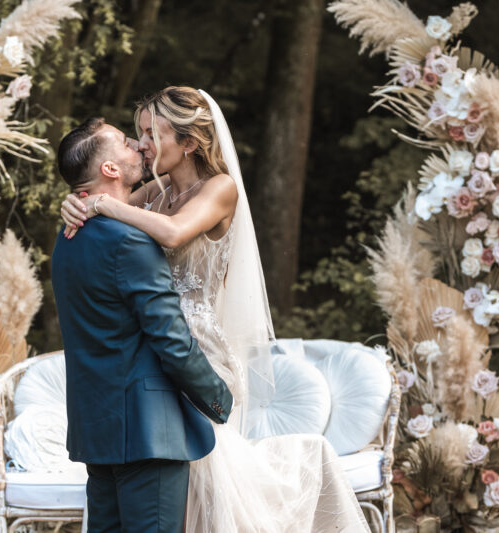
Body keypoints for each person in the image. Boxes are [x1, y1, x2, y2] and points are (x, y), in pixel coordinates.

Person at [60, 87, 371, 532]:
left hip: (198, 352)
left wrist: (102, 203)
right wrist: (77, 201)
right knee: (178, 495)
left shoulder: (221, 189)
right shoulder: (154, 191)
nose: (142, 143)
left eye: (152, 133)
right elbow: (105, 213)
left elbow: (169, 233)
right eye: (138, 132)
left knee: (207, 485)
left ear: (188, 142)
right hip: (159, 351)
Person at [51, 116, 234, 533]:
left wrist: (88, 200)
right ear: (110, 169)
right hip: (150, 429)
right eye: (125, 141)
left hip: (97, 428)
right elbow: (171, 339)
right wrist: (220, 400)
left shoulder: (66, 238)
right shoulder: (131, 241)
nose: (138, 145)